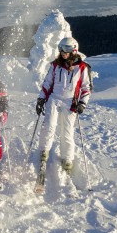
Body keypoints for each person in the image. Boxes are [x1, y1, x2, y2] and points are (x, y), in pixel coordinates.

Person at [34, 36, 91, 187]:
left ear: (74, 50)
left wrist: (82, 103)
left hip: (70, 102)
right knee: (49, 126)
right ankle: (43, 152)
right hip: (54, 99)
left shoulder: (82, 67)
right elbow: (47, 83)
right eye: (60, 48)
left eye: (66, 49)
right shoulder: (55, 65)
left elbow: (86, 88)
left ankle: (67, 160)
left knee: (66, 132)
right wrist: (41, 99)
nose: (62, 52)